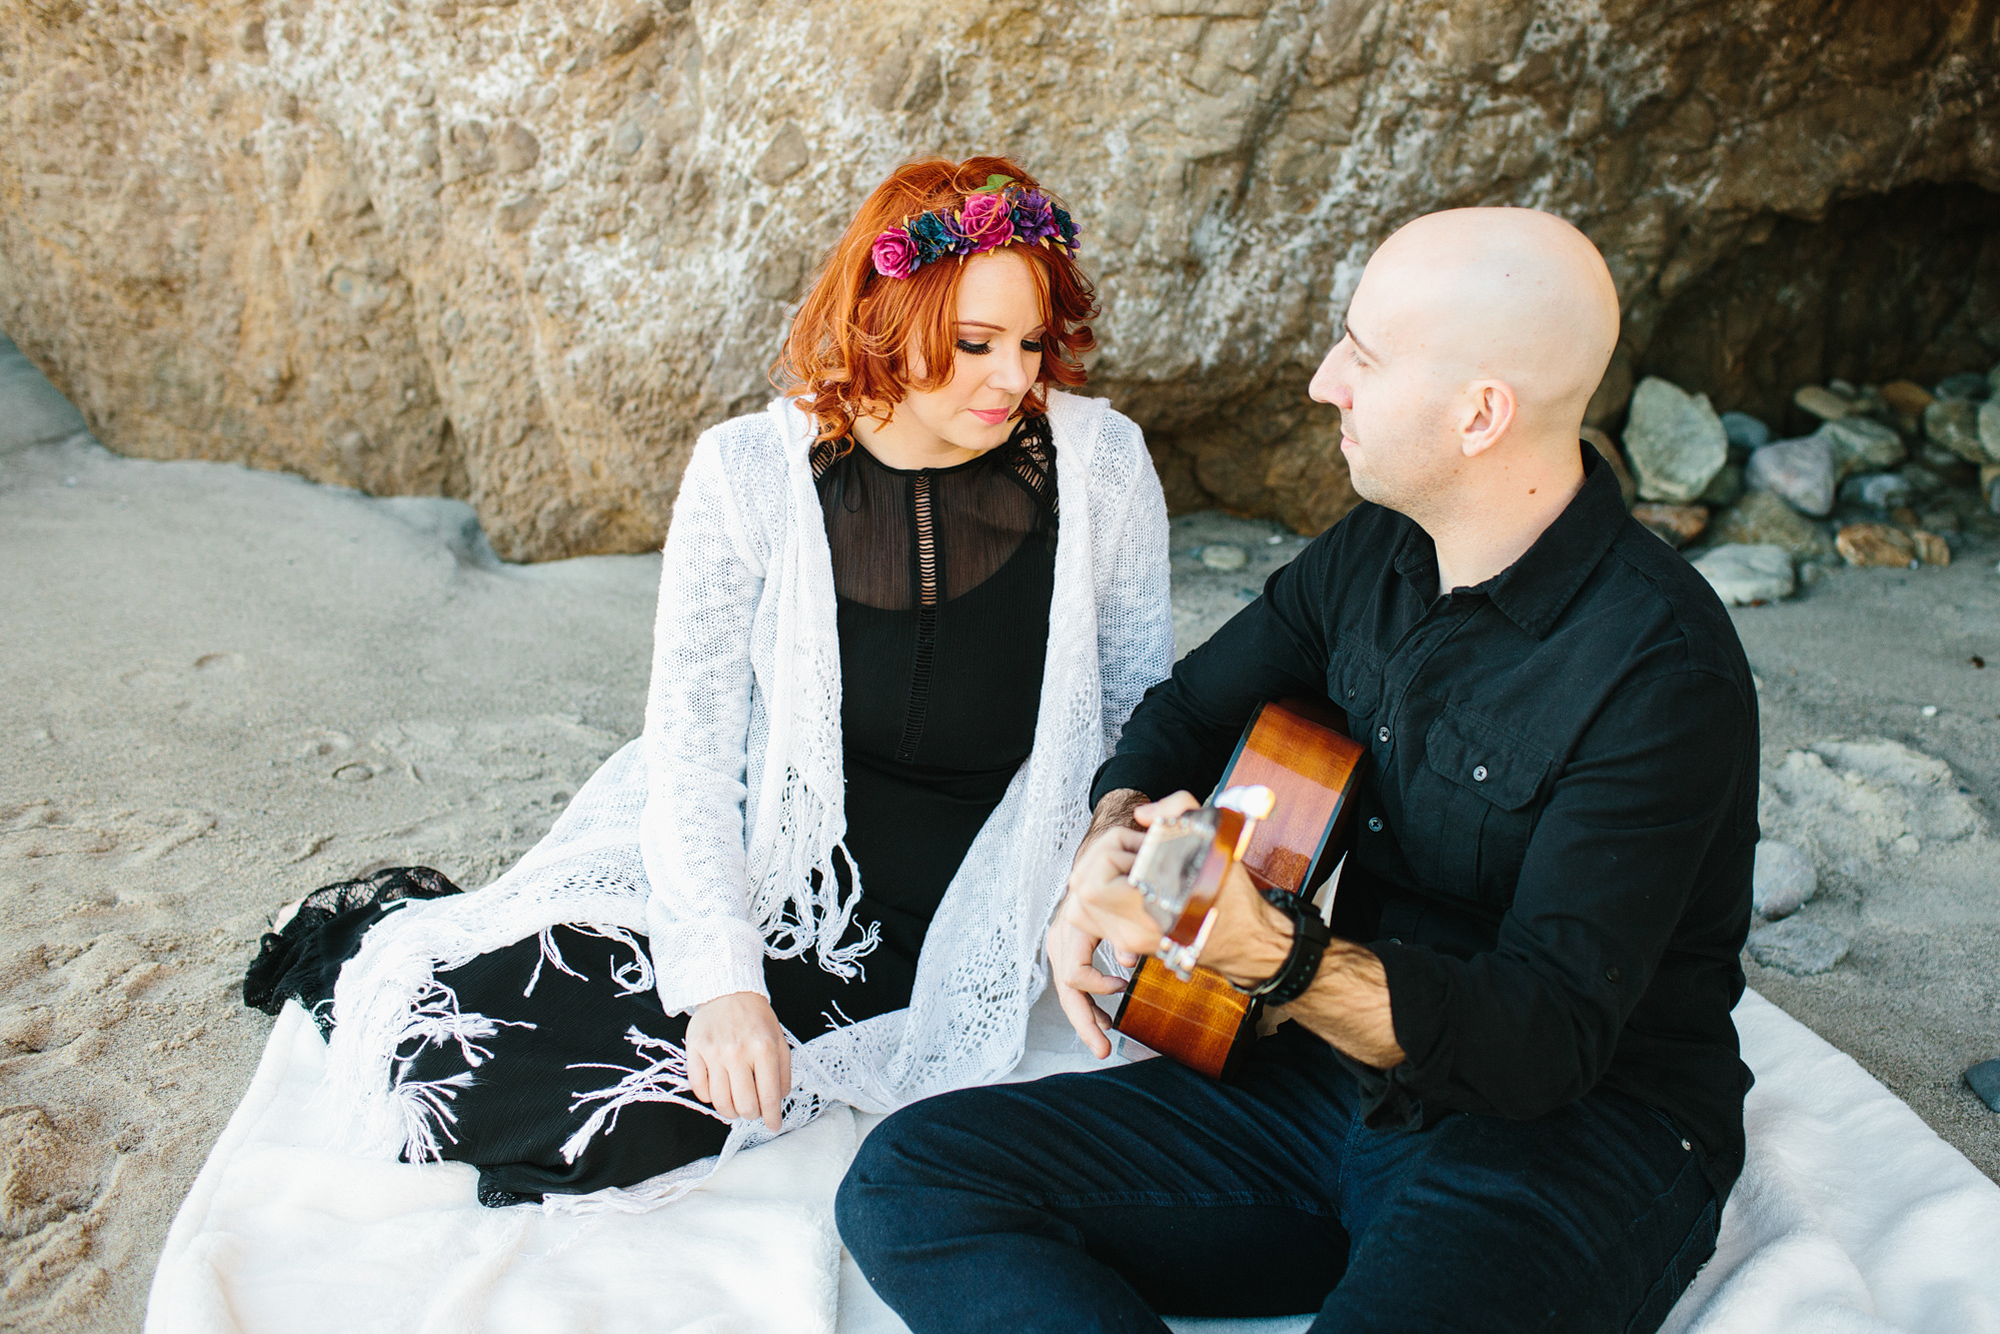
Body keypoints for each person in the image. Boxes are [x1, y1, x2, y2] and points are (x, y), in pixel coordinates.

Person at [837, 207, 1757, 1332]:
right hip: (1330, 1083)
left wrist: (1274, 955)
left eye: (1362, 355)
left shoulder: (1658, 670)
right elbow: (1181, 713)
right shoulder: (1376, 545)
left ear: (1480, 414)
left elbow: (1541, 1042)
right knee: (910, 1179)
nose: (1326, 381)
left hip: (1570, 1139)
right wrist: (1106, 846)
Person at [242, 155, 1172, 1209]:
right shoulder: (747, 473)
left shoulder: (1100, 466)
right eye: (973, 344)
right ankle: (371, 947)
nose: (1011, 377)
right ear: (887, 318)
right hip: (776, 866)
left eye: (1029, 342)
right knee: (456, 1066)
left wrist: (1105, 850)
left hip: (967, 897)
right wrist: (723, 977)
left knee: (638, 1116)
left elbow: (1144, 702)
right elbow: (689, 743)